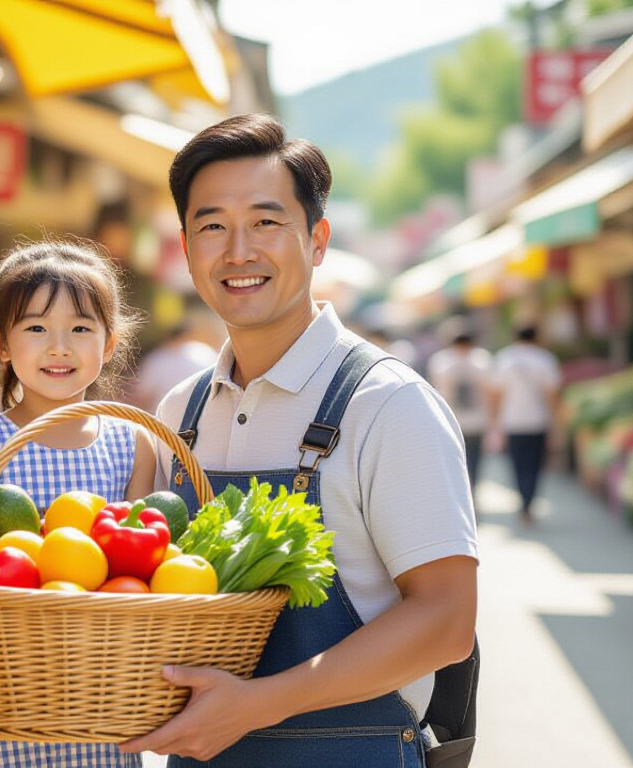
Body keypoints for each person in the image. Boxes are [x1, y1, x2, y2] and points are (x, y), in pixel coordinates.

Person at [118, 114, 478, 767]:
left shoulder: (388, 404)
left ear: (317, 240)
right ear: (187, 248)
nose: (238, 251)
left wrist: (257, 705)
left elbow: (447, 621)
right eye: (212, 227)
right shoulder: (179, 413)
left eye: (266, 222)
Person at [0, 238, 156, 768]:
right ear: (1, 344)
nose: (59, 347)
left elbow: (141, 580)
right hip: (1, 693)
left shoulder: (132, 443)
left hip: (100, 697)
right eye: (36, 328)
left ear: (110, 344)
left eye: (81, 329)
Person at [489, 324, 562, 524]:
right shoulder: (545, 359)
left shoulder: (504, 359)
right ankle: (529, 502)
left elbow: (496, 394)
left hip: (512, 421)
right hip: (538, 421)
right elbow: (552, 395)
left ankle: (523, 502)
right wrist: (556, 424)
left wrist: (495, 421)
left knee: (517, 465)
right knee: (535, 466)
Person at [426, 317, 494, 497]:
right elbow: (489, 393)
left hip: (450, 421)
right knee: (475, 462)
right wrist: (493, 421)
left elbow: (434, 390)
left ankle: (460, 496)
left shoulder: (441, 361)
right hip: (477, 421)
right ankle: (472, 494)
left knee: (454, 462)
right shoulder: (482, 360)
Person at [127, 298, 226, 411]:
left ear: (168, 337)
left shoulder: (157, 359)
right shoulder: (206, 352)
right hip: (201, 414)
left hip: (162, 417)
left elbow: (142, 396)